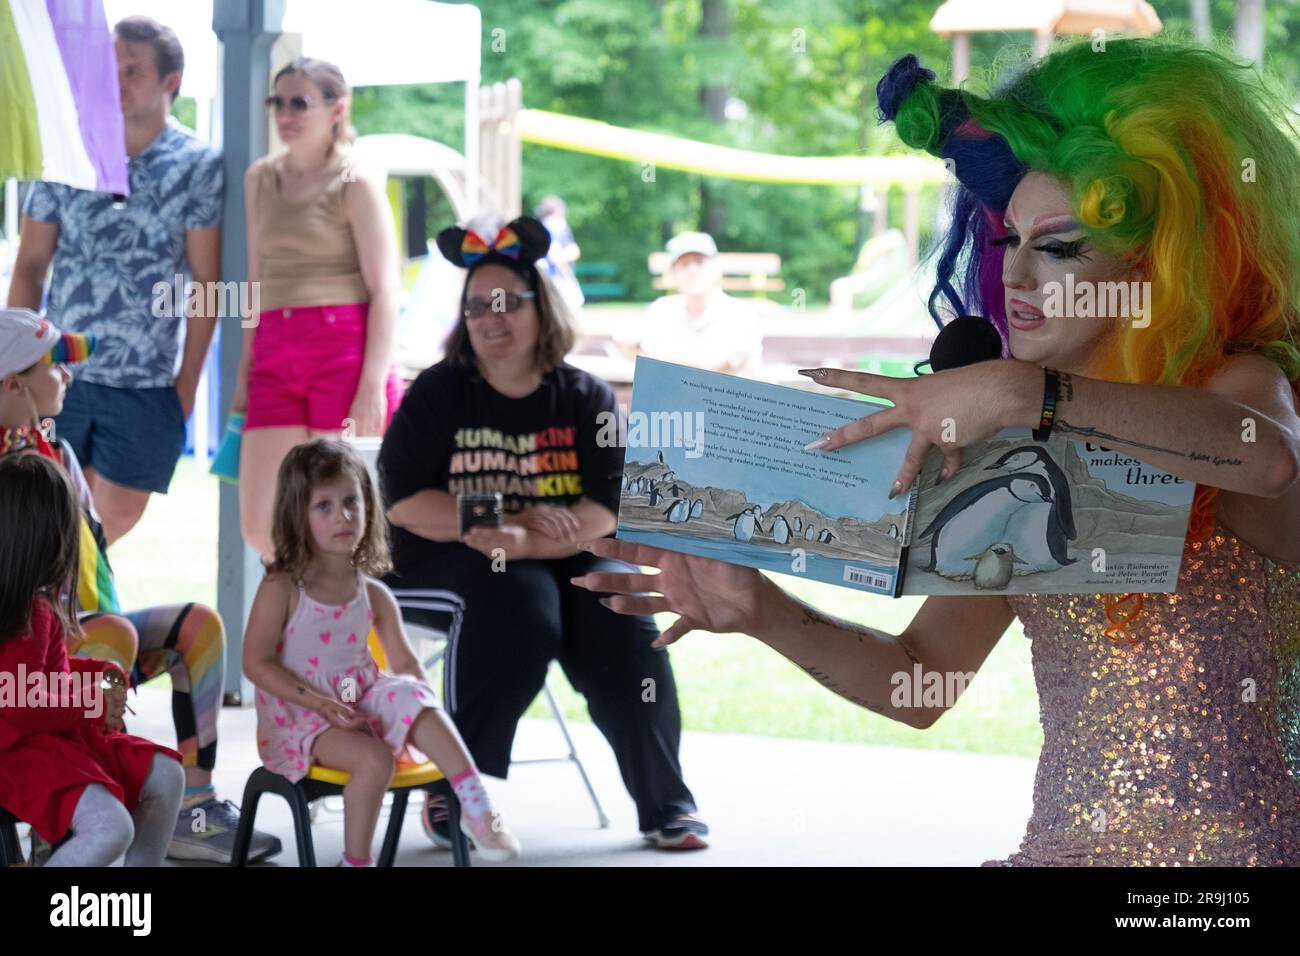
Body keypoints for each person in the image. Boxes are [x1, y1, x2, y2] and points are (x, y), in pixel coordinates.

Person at [578, 38, 1300, 865]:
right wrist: (762, 613)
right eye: (1006, 242)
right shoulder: (1024, 445)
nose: (1018, 277)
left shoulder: (1235, 381)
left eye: (1060, 247)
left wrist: (1023, 395)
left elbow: (1269, 458)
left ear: (1158, 266)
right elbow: (921, 681)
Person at [379, 213, 709, 850]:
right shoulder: (440, 393)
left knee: (620, 604)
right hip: (442, 559)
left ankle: (667, 802)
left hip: (555, 554)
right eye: (477, 307)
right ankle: (456, 791)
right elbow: (405, 504)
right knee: (520, 602)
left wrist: (528, 542)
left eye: (507, 303)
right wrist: (505, 522)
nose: (491, 319)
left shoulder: (582, 395)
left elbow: (604, 508)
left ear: (540, 306)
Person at [0, 307, 281, 863]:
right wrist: (87, 689)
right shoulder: (18, 478)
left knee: (199, 626)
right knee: (115, 637)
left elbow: (90, 559)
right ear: (13, 381)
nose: (69, 375)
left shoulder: (60, 454)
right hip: (27, 669)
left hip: (69, 637)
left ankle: (192, 810)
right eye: (56, 363)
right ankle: (57, 832)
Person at [243, 439, 521, 865]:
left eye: (352, 501)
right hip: (301, 718)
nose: (344, 516)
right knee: (375, 760)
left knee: (414, 695)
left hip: (359, 704)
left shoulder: (373, 593)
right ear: (296, 514)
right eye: (324, 506)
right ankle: (356, 862)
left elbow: (407, 666)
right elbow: (255, 663)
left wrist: (422, 710)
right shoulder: (282, 586)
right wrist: (322, 703)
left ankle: (476, 806)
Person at [7, 16, 223, 546]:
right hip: (57, 376)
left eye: (132, 70)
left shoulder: (198, 165)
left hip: (146, 386)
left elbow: (208, 282)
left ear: (171, 82)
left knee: (101, 535)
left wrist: (187, 386)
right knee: (45, 527)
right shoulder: (63, 150)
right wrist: (14, 361)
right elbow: (31, 264)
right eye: (109, 68)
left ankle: (88, 625)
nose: (116, 81)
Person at [234, 56, 404, 558]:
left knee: (344, 521)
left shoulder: (356, 180)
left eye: (299, 103)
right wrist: (244, 369)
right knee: (262, 524)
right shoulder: (259, 178)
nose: (285, 114)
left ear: (337, 109)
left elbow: (386, 290)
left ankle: (344, 629)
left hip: (344, 352)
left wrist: (373, 385)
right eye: (278, 102)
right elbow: (255, 281)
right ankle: (293, 626)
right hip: (274, 353)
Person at [0, 453, 184, 866]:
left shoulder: (35, 607)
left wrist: (102, 675)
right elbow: (21, 699)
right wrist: (93, 700)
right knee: (111, 827)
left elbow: (48, 673)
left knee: (168, 777)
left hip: (52, 741)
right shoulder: (23, 612)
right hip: (15, 754)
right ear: (51, 539)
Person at [616, 231, 762, 374]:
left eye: (699, 262)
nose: (692, 270)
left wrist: (655, 356)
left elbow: (715, 369)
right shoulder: (661, 310)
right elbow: (627, 344)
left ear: (716, 267)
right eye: (684, 264)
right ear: (673, 273)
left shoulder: (742, 314)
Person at [535, 194, 585, 312]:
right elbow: (556, 256)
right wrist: (567, 275)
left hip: (546, 277)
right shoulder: (554, 227)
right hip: (555, 277)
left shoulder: (543, 227)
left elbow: (574, 249)